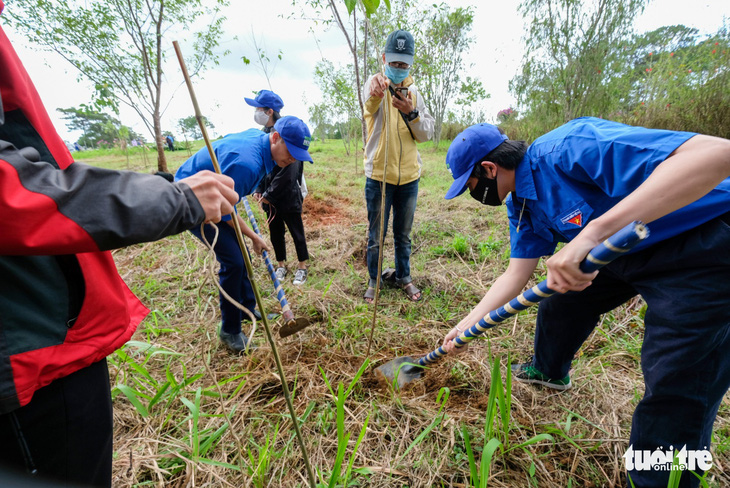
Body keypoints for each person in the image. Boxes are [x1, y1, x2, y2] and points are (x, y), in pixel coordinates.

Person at [0, 6, 239, 486]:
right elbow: (17, 194)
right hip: (34, 353)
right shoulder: (245, 158)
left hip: (52, 333)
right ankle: (232, 330)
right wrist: (174, 198)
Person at [440, 118, 730, 487]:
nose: (474, 196)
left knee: (677, 377)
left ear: (489, 168)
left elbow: (719, 154)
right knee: (562, 299)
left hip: (703, 238)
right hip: (618, 254)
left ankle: (660, 481)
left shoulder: (572, 146)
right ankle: (548, 371)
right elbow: (516, 274)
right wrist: (468, 323)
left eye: (470, 187)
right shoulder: (523, 207)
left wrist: (591, 234)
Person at [175, 115, 314, 352]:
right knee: (234, 262)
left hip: (214, 196)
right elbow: (225, 209)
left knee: (244, 259)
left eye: (297, 156)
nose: (292, 159)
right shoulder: (247, 164)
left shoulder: (261, 143)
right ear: (276, 137)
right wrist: (254, 236)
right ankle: (230, 330)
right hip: (193, 200)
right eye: (290, 151)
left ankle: (248, 308)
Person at [362, 29, 434, 303]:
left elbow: (426, 134)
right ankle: (374, 278)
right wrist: (376, 94)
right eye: (393, 63)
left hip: (409, 179)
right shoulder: (374, 84)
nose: (398, 68)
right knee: (375, 235)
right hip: (378, 176)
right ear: (384, 58)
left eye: (403, 64)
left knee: (403, 235)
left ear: (411, 62)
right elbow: (368, 109)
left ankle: (404, 276)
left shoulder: (414, 93)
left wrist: (410, 113)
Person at [247, 90, 311, 286]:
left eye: (259, 108)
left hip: (287, 195)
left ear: (269, 111)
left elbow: (289, 173)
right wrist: (259, 189)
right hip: (268, 197)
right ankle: (281, 264)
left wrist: (269, 195)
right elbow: (260, 165)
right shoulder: (263, 135)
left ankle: (302, 266)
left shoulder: (290, 134)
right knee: (275, 231)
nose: (256, 112)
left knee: (296, 231)